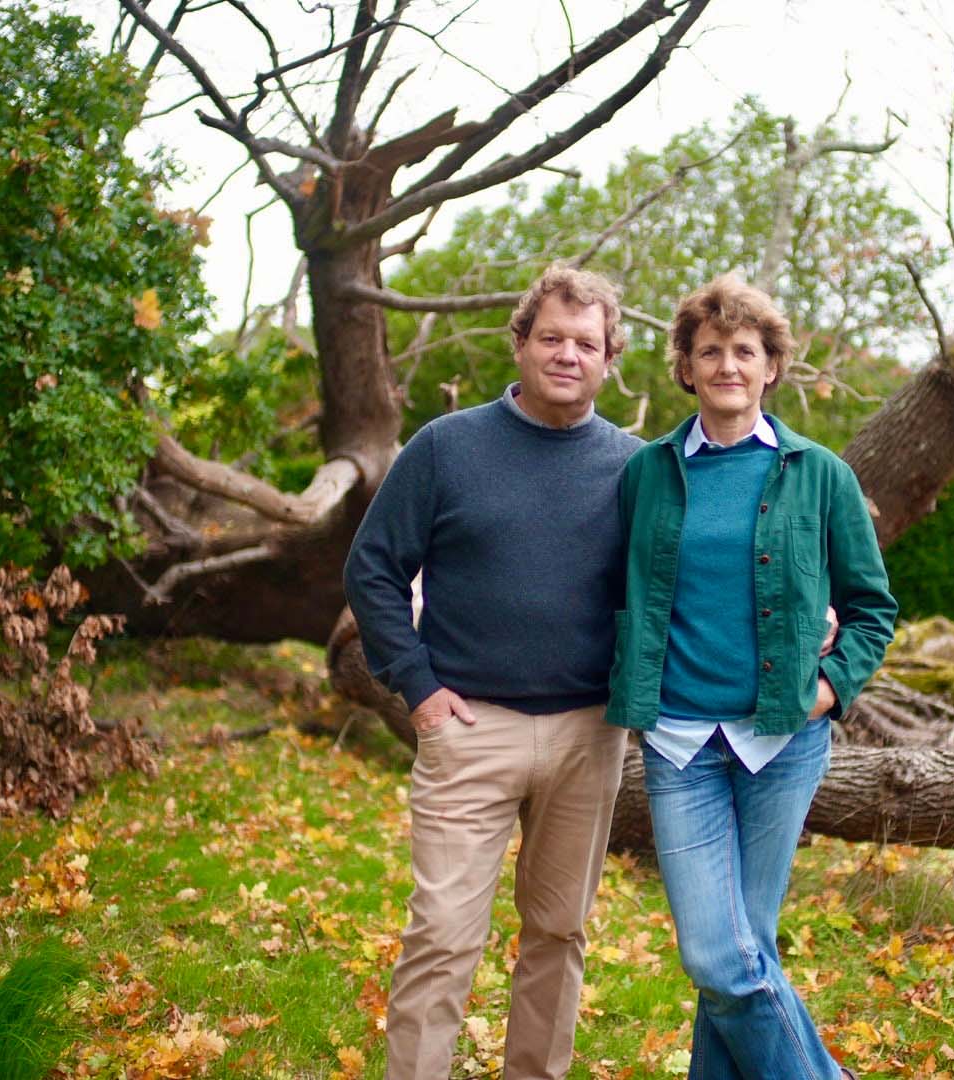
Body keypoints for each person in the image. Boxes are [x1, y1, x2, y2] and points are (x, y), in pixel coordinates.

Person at [343, 265, 641, 1080]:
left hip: (590, 733)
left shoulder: (636, 467)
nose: (567, 354)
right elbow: (372, 568)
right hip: (468, 726)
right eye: (551, 337)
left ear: (610, 357)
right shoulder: (446, 448)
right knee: (441, 936)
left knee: (558, 931)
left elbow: (686, 579)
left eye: (587, 342)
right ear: (520, 343)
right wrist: (418, 688)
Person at [606, 275, 898, 1080]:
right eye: (710, 351)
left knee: (740, 953)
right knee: (718, 953)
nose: (728, 365)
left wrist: (830, 688)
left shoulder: (823, 475)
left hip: (783, 740)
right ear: (687, 368)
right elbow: (613, 588)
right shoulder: (648, 474)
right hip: (678, 740)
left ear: (771, 366)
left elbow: (873, 608)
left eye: (745, 351)